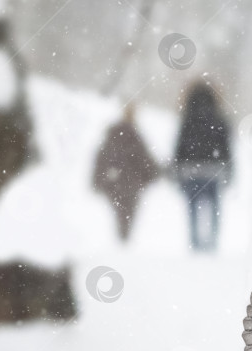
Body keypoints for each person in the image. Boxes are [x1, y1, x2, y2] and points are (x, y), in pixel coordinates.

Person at [173, 82, 233, 251]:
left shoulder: (187, 118)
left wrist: (178, 170)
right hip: (213, 171)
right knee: (214, 206)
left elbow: (180, 148)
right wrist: (229, 172)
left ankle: (195, 241)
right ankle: (212, 240)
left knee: (192, 207)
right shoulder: (219, 119)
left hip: (191, 170)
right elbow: (226, 149)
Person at [93, 104, 159, 240]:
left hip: (114, 183)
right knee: (127, 213)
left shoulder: (113, 134)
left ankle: (122, 239)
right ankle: (123, 238)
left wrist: (98, 179)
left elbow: (102, 158)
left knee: (120, 213)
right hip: (131, 184)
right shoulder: (135, 136)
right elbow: (145, 160)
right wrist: (150, 176)